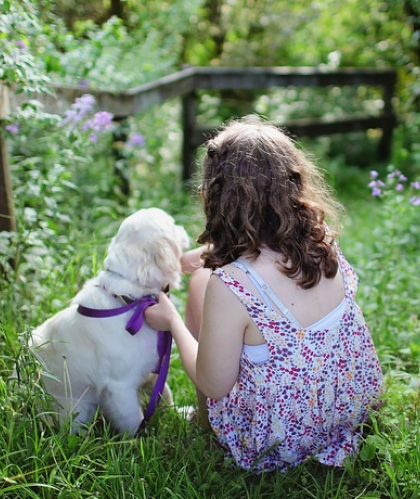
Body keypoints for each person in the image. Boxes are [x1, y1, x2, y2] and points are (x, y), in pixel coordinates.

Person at [144, 117, 383, 472]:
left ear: (217, 196)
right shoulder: (322, 243)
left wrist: (173, 323)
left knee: (199, 284)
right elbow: (258, 259)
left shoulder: (230, 285)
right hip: (347, 411)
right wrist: (196, 258)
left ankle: (205, 422)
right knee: (202, 276)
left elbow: (214, 384)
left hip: (277, 439)